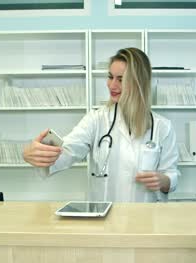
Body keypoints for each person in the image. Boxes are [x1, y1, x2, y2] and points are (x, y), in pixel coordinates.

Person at [23, 47, 179, 202]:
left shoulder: (162, 127)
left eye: (121, 79)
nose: (112, 85)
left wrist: (164, 180)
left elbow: (172, 174)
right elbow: (67, 150)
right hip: (105, 217)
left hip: (145, 218)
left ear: (140, 82)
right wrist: (38, 154)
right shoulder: (96, 120)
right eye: (110, 77)